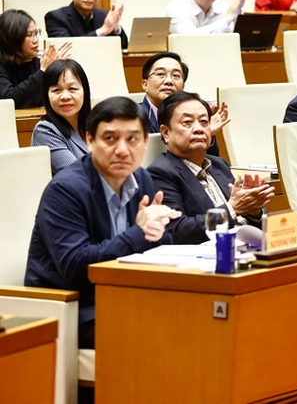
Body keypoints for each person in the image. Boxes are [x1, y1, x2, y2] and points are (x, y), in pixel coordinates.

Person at [24, 96, 182, 349]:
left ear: (144, 143)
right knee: (157, 334)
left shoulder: (141, 179)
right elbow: (75, 266)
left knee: (199, 315)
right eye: (110, 139)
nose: (122, 150)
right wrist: (139, 233)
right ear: (89, 140)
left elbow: (154, 246)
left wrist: (156, 232)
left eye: (132, 139)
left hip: (121, 295)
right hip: (73, 307)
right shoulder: (66, 190)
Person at [148, 92, 273, 244]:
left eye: (204, 122)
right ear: (166, 132)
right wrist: (232, 209)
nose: (198, 129)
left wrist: (253, 211)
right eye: (187, 123)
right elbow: (176, 230)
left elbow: (245, 219)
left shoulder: (219, 164)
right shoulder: (160, 173)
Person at [0, 10, 71, 108]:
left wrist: (57, 69)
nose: (35, 40)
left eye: (36, 33)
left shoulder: (40, 62)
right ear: (12, 39)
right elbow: (9, 100)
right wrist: (42, 72)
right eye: (29, 35)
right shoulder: (2, 67)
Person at [31, 59, 91, 174]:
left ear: (84, 91)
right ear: (46, 95)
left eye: (72, 89)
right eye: (56, 90)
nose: (65, 96)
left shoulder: (96, 125)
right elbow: (78, 177)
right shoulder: (45, 131)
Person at [45, 0, 129, 51]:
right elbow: (65, 48)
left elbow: (124, 47)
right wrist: (102, 31)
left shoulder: (104, 15)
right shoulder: (55, 17)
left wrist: (115, 28)